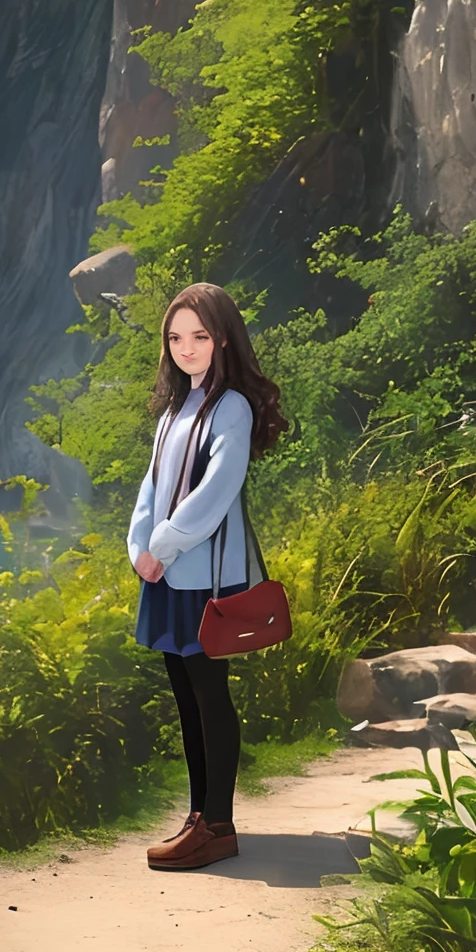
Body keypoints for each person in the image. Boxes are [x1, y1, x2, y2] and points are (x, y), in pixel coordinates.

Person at [128, 281, 287, 870]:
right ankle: (200, 817)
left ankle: (217, 823)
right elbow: (152, 488)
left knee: (208, 695)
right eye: (175, 337)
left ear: (221, 338)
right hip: (167, 573)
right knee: (186, 697)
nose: (185, 347)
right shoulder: (177, 408)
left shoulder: (231, 407)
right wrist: (139, 546)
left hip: (201, 577)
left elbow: (214, 493)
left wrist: (161, 547)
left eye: (197, 336)